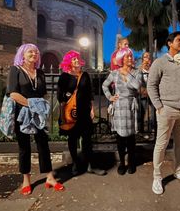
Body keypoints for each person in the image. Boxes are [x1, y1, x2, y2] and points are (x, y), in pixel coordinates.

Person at [7, 43, 64, 195]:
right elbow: (13, 93)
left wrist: (43, 108)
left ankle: (50, 177)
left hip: (38, 115)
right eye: (30, 52)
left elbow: (43, 93)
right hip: (22, 113)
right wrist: (32, 105)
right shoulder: (15, 70)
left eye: (36, 52)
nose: (34, 54)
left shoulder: (40, 72)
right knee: (24, 147)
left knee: (43, 144)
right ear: (22, 55)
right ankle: (26, 179)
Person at [147, 31, 180, 195]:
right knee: (161, 144)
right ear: (170, 43)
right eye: (178, 40)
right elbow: (151, 85)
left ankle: (179, 170)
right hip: (166, 110)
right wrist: (159, 107)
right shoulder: (160, 62)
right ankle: (157, 176)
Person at [57, 50, 106, 176]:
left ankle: (90, 165)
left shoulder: (85, 75)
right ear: (69, 62)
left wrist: (91, 109)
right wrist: (63, 113)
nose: (76, 61)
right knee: (72, 138)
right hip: (71, 112)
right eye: (73, 59)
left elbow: (90, 93)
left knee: (87, 139)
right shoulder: (64, 76)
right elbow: (60, 96)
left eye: (77, 58)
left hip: (84, 111)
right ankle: (75, 163)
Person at [102, 47, 141, 175]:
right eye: (127, 56)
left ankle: (131, 162)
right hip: (118, 106)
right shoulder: (114, 73)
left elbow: (137, 86)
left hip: (131, 106)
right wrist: (110, 97)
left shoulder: (136, 72)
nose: (130, 58)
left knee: (131, 138)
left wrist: (126, 74)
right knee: (120, 138)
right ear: (121, 59)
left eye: (130, 56)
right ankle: (122, 164)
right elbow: (104, 85)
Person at [138, 51, 154, 133]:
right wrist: (144, 91)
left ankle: (152, 129)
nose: (147, 58)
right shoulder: (139, 69)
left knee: (153, 113)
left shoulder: (153, 68)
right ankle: (141, 131)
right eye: (145, 57)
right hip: (143, 94)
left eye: (148, 57)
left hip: (152, 94)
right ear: (142, 59)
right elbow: (137, 83)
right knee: (141, 112)